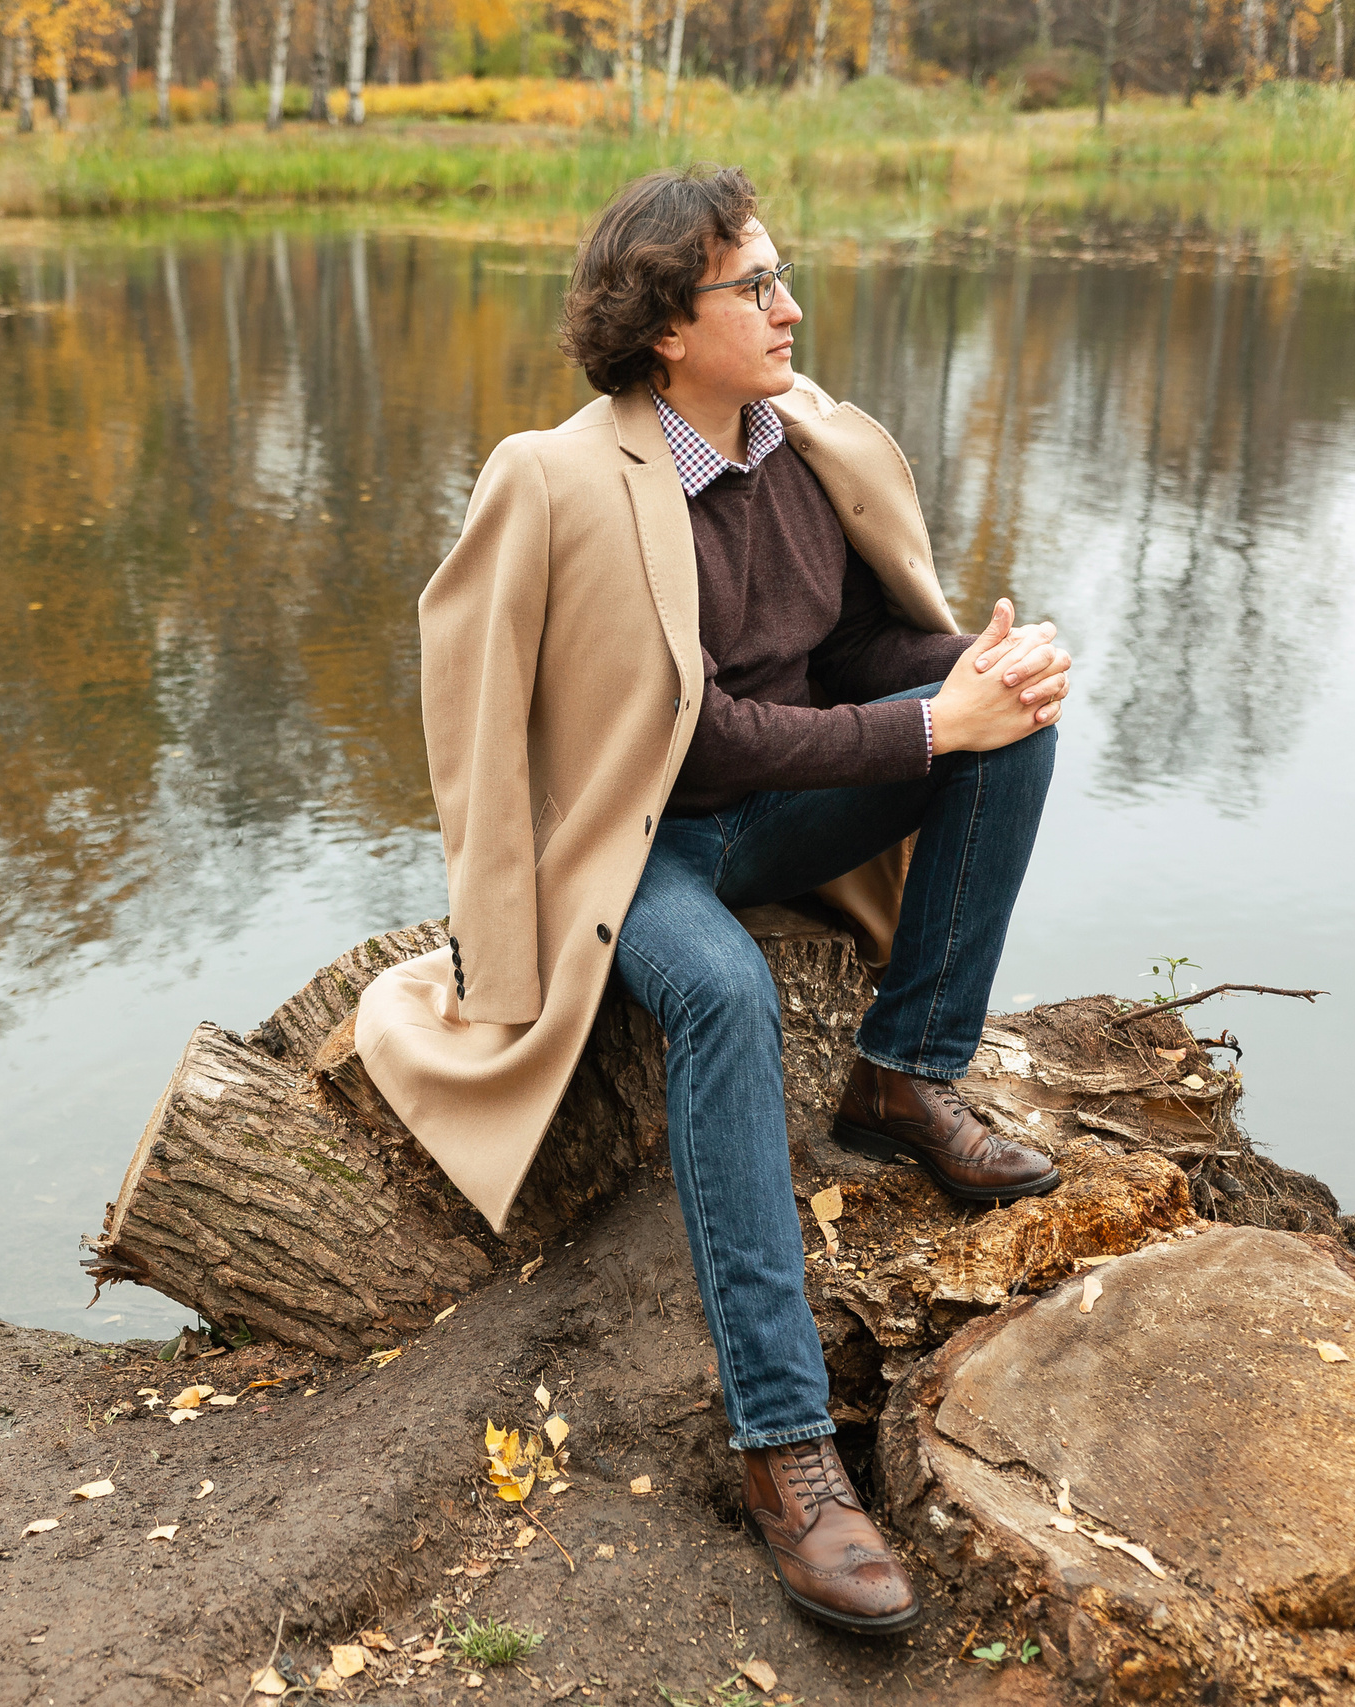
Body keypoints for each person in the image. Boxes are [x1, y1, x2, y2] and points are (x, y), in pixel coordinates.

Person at [352, 165, 1072, 1636]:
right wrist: (933, 728)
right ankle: (787, 1449)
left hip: (788, 813)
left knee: (1015, 723)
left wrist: (961, 682)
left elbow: (860, 645)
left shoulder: (808, 445)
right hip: (641, 848)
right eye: (757, 286)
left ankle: (903, 1074)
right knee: (727, 993)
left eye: (780, 277)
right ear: (667, 325)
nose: (790, 306)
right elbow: (689, 733)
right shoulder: (554, 479)